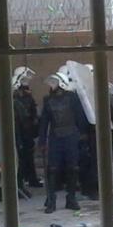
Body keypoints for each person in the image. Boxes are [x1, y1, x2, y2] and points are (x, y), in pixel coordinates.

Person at [38, 72, 87, 214]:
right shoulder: (47, 100)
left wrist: (83, 134)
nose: (52, 86)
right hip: (55, 138)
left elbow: (79, 115)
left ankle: (71, 198)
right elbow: (44, 121)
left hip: (71, 136)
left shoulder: (72, 97)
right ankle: (51, 200)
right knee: (52, 170)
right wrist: (42, 140)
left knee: (73, 168)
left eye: (55, 83)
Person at [12, 66, 43, 189]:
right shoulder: (16, 94)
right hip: (19, 129)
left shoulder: (27, 94)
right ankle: (22, 181)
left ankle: (31, 178)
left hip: (27, 129)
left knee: (28, 155)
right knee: (21, 157)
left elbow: (31, 109)